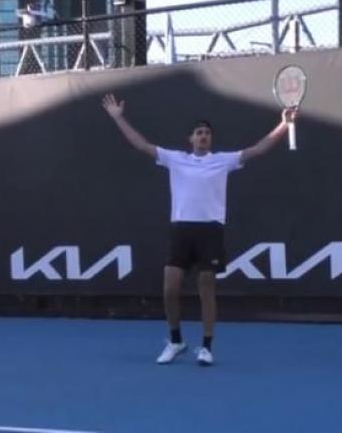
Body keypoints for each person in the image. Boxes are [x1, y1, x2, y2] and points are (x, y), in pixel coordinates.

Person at [101, 93, 297, 366]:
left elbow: (259, 148)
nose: (204, 136)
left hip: (210, 231)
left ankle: (206, 347)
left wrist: (284, 125)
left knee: (207, 288)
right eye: (199, 133)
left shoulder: (224, 160)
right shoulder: (175, 158)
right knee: (170, 290)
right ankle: (176, 340)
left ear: (210, 139)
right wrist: (119, 118)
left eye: (207, 133)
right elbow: (141, 145)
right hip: (182, 230)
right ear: (190, 139)